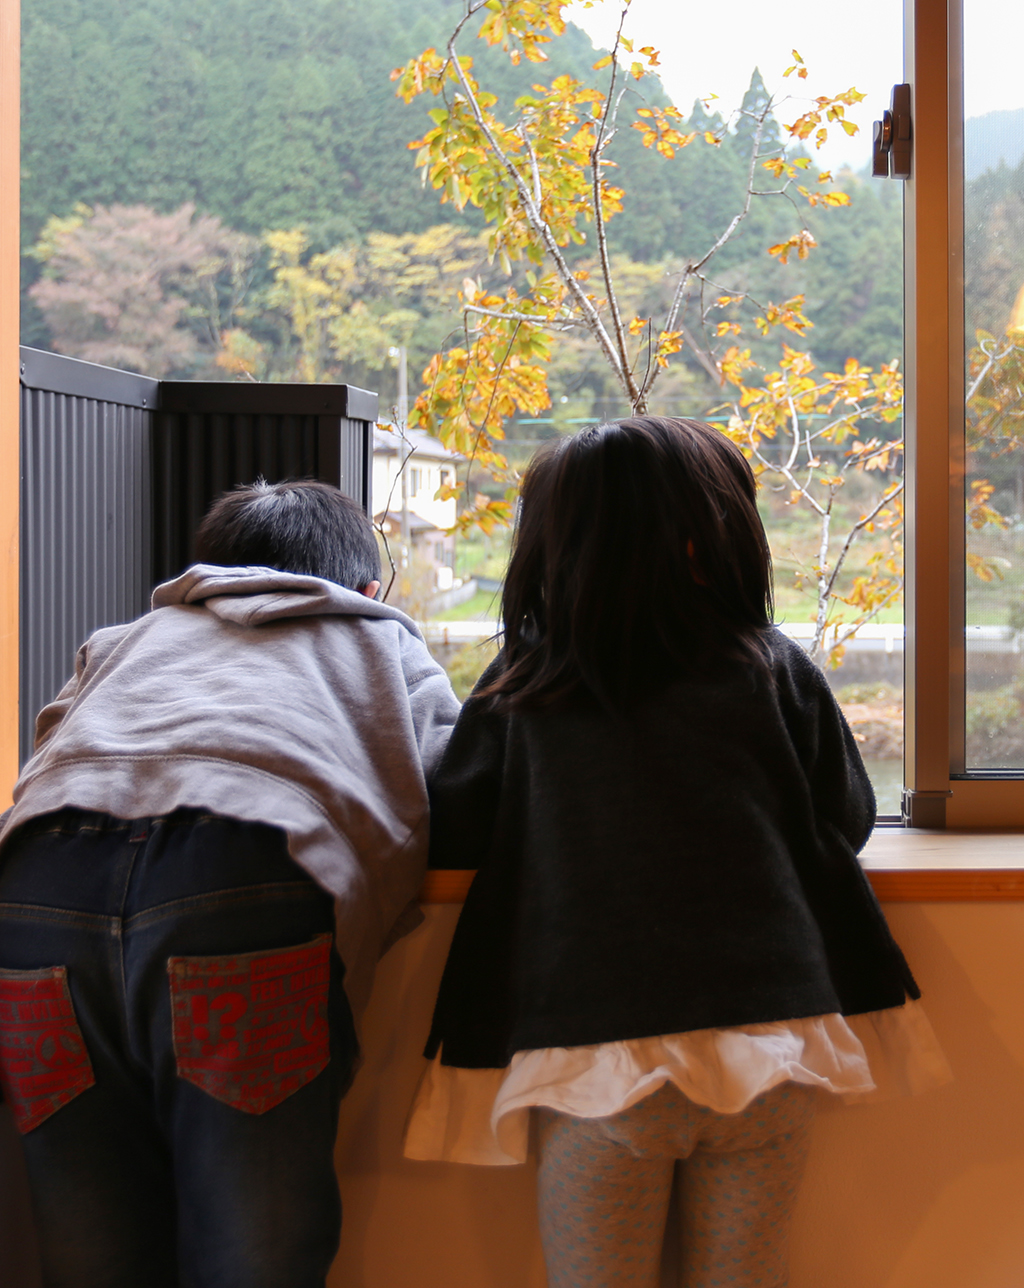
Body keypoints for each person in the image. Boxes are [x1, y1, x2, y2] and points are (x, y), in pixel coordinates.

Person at [404, 418, 950, 1288]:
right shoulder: (768, 665)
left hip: (597, 1057)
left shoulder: (530, 679)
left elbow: (457, 823)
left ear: (556, 542)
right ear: (712, 532)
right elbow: (846, 816)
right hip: (764, 1040)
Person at [0, 478, 460, 1288]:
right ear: (364, 588)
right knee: (254, 1252)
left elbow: (45, 751)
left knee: (88, 1249)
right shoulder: (382, 643)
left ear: (209, 571)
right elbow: (459, 790)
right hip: (236, 869)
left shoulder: (124, 642)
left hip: (39, 883)